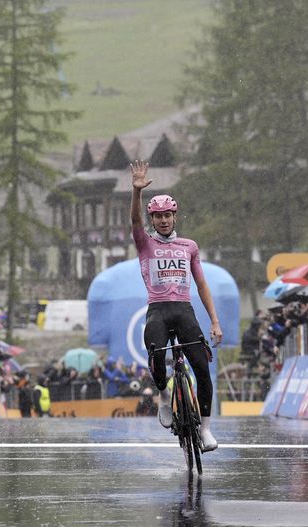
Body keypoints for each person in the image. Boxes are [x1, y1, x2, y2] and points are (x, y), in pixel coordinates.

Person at [130, 159, 223, 452]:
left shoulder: (189, 246)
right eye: (157, 217)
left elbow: (202, 285)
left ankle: (206, 430)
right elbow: (134, 221)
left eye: (167, 215)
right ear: (152, 219)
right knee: (157, 355)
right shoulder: (145, 243)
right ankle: (163, 395)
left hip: (184, 310)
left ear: (175, 216)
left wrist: (215, 321)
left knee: (202, 370)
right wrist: (136, 192)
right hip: (158, 309)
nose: (163, 220)